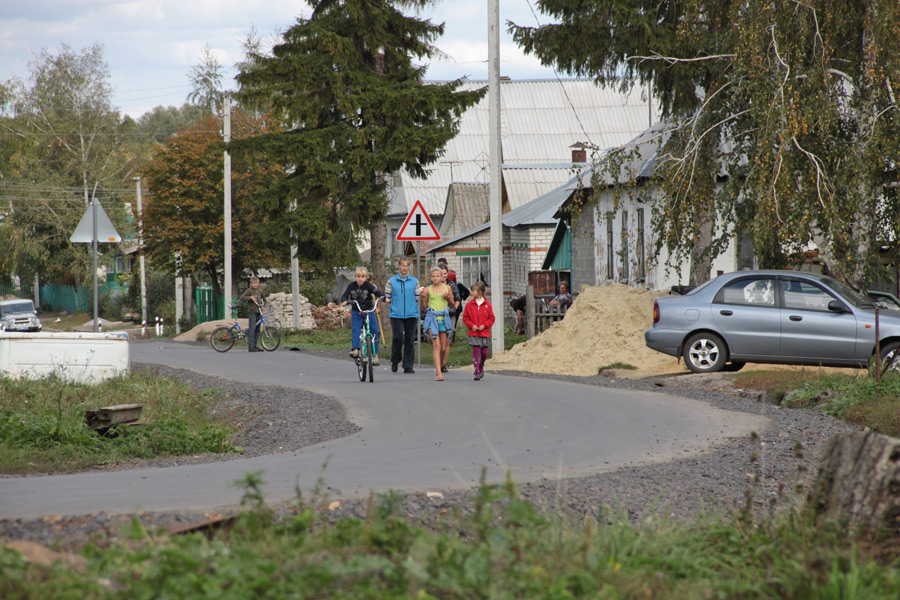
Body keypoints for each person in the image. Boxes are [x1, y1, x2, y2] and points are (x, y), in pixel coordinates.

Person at [341, 267, 383, 365]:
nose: (360, 279)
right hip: (357, 311)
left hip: (369, 310)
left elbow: (376, 292)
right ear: (355, 277)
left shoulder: (368, 285)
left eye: (363, 277)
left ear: (366, 277)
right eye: (358, 276)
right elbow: (344, 296)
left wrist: (383, 297)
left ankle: (375, 355)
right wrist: (344, 301)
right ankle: (355, 349)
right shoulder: (351, 286)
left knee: (375, 331)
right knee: (356, 328)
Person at [384, 258, 420, 374]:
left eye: (407, 265)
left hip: (411, 314)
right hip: (396, 314)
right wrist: (394, 303)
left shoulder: (415, 281)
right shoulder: (391, 281)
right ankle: (395, 360)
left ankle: (408, 365)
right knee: (398, 337)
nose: (404, 268)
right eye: (402, 265)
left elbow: (417, 297)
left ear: (409, 267)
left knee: (410, 339)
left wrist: (410, 305)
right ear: (398, 266)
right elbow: (387, 297)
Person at [421, 267, 457, 381]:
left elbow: (452, 305)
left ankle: (441, 364)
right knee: (436, 345)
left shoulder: (447, 288)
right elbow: (424, 307)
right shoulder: (427, 289)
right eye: (433, 276)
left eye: (437, 276)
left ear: (442, 277)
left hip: (444, 318)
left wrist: (448, 298)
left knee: (443, 347)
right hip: (432, 318)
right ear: (430, 277)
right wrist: (422, 298)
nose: (435, 278)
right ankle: (438, 372)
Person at [462, 281, 495, 380]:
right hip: (473, 332)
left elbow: (492, 319)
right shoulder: (469, 305)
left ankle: (481, 365)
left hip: (484, 333)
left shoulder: (488, 305)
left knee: (484, 352)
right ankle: (476, 370)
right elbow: (465, 318)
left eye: (473, 291)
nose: (471, 293)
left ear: (480, 292)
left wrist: (484, 325)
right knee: (476, 350)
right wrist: (471, 325)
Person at [239, 276, 265, 352]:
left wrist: (263, 305)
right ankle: (251, 347)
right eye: (254, 283)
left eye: (257, 283)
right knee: (252, 329)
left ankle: (255, 345)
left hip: (259, 311)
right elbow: (243, 297)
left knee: (257, 330)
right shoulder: (249, 290)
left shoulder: (260, 291)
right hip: (252, 312)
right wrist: (250, 298)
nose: (255, 284)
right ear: (251, 283)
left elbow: (264, 299)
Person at [440, 265, 462, 348]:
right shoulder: (434, 284)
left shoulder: (451, 284)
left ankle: (446, 351)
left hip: (450, 313)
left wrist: (455, 308)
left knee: (449, 333)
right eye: (442, 273)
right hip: (439, 314)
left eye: (445, 273)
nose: (444, 276)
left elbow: (458, 298)